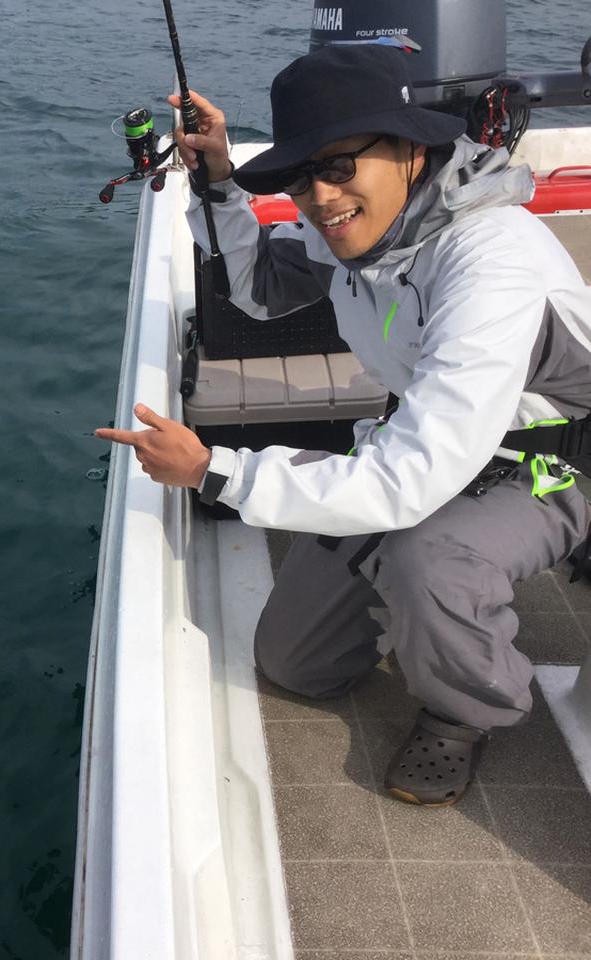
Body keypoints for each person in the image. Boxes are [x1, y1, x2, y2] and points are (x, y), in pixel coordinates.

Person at [95, 44, 591, 807]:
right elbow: (258, 287)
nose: (320, 198)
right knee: (296, 661)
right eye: (299, 176)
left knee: (431, 556)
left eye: (338, 166)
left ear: (410, 151)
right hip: (431, 443)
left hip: (552, 464)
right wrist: (219, 181)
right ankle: (427, 615)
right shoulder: (368, 239)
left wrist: (212, 471)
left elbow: (408, 482)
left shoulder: (490, 261)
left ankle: (469, 708)